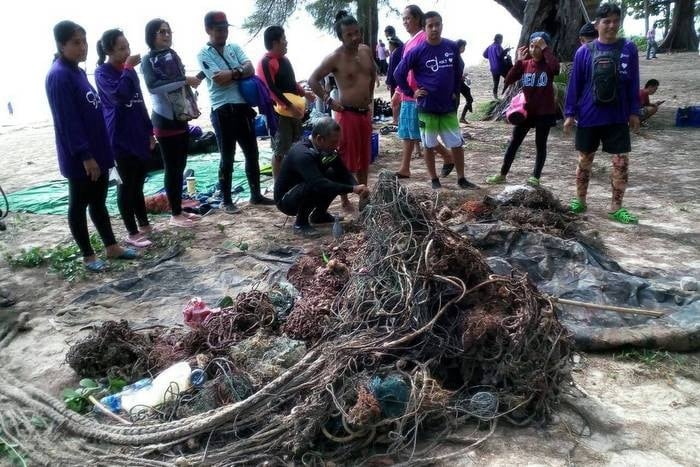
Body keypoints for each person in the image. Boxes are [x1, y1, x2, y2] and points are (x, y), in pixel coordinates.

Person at [46, 21, 138, 272]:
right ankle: (88, 256)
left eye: (84, 41)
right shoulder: (59, 75)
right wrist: (86, 156)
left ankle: (111, 246)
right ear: (61, 44)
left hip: (99, 150)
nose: (83, 47)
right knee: (79, 203)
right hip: (80, 157)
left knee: (98, 201)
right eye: (76, 42)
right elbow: (68, 122)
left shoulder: (76, 71)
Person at [564, 3, 641, 224]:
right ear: (597, 24)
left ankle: (616, 207)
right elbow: (575, 85)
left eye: (616, 21)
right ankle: (580, 200)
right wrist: (570, 113)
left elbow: (633, 82)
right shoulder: (584, 52)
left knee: (621, 162)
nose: (612, 25)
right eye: (607, 21)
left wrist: (634, 112)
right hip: (589, 116)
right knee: (584, 160)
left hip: (617, 117)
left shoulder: (629, 49)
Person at [197, 11, 274, 214]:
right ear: (208, 30)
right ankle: (227, 200)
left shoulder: (234, 47)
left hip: (242, 108)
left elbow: (250, 68)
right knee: (227, 157)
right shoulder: (203, 53)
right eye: (218, 29)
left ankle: (256, 195)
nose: (223, 33)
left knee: (252, 153)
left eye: (225, 29)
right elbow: (218, 79)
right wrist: (239, 72)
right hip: (222, 109)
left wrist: (233, 73)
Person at [394, 11, 476, 190]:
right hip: (426, 107)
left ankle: (462, 179)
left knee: (456, 143)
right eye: (430, 25)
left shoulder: (451, 47)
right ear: (424, 28)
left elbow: (458, 69)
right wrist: (411, 92)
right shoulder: (417, 51)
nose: (434, 28)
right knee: (428, 145)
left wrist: (455, 91)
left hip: (447, 106)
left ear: (442, 25)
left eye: (437, 24)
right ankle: (434, 180)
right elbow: (398, 73)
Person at [309, 10, 376, 212]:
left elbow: (372, 74)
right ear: (341, 36)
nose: (355, 37)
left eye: (357, 32)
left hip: (364, 113)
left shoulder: (366, 50)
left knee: (365, 157)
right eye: (349, 34)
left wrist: (371, 99)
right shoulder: (335, 58)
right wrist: (329, 100)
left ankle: (364, 198)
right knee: (345, 159)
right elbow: (313, 80)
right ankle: (345, 199)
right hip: (346, 114)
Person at [95, 29, 155, 248]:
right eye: (122, 48)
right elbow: (119, 96)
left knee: (138, 183)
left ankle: (144, 223)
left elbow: (140, 103)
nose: (127, 51)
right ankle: (131, 231)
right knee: (124, 185)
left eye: (128, 47)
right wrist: (128, 68)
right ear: (109, 51)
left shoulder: (129, 72)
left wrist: (150, 132)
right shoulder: (103, 73)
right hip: (118, 141)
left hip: (137, 136)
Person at [142, 18, 202, 228]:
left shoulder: (173, 55)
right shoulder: (147, 60)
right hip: (164, 120)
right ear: (152, 36)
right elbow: (153, 87)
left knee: (181, 165)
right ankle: (175, 214)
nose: (167, 35)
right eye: (161, 32)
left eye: (168, 31)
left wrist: (188, 81)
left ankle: (179, 209)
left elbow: (179, 83)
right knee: (172, 168)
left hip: (181, 118)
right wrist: (185, 80)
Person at [486, 32, 560, 187]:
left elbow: (556, 68)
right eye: (532, 46)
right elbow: (509, 79)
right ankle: (502, 174)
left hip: (544, 112)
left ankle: (535, 177)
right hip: (525, 112)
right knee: (514, 143)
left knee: (541, 144)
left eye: (538, 47)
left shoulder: (548, 65)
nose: (534, 50)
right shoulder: (525, 64)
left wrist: (546, 49)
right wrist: (518, 62)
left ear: (545, 48)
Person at [275, 117, 369, 238]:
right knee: (315, 185)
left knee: (332, 175)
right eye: (333, 142)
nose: (336, 146)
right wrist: (352, 189)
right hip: (286, 200)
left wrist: (357, 187)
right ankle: (300, 224)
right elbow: (318, 183)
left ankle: (319, 215)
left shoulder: (327, 149)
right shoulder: (303, 154)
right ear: (320, 139)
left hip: (305, 186)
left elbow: (343, 172)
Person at [392, 4, 454, 179]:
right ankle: (405, 167)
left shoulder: (422, 39)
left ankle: (447, 155)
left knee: (421, 132)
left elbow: (426, 67)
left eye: (408, 18)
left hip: (417, 94)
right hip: (407, 92)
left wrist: (416, 90)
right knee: (408, 131)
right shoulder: (409, 43)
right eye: (403, 19)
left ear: (418, 19)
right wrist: (399, 91)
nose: (405, 22)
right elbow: (404, 70)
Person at [257, 25, 314, 181]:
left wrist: (305, 93)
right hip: (279, 114)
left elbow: (291, 83)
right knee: (280, 150)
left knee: (296, 145)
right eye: (284, 39)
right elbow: (270, 89)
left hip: (293, 110)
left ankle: (294, 178)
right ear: (275, 43)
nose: (286, 42)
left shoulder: (285, 60)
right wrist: (289, 106)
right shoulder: (266, 62)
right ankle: (278, 186)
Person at [483, 34, 511, 100]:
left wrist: (491, 57)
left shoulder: (489, 47)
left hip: (493, 69)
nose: (502, 41)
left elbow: (484, 55)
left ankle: (495, 97)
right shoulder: (498, 46)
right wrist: (506, 50)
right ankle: (507, 92)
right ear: (498, 39)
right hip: (501, 67)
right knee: (509, 78)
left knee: (496, 83)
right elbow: (500, 55)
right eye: (501, 39)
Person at [386, 38, 404, 124]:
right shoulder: (403, 50)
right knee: (402, 100)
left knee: (394, 101)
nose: (388, 47)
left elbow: (391, 69)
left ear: (392, 45)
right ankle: (399, 118)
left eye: (389, 45)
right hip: (403, 79)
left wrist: (388, 81)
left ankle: (395, 120)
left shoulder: (394, 53)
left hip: (395, 80)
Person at [456, 39, 474, 124]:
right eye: (463, 46)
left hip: (460, 82)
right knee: (456, 102)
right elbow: (452, 72)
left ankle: (462, 117)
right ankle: (454, 122)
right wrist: (461, 76)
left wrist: (463, 76)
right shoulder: (454, 57)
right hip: (455, 83)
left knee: (469, 97)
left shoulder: (458, 56)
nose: (464, 48)